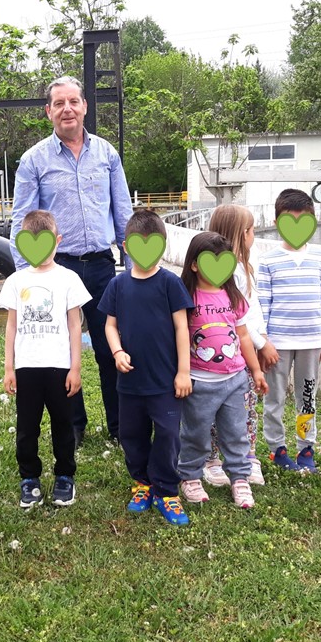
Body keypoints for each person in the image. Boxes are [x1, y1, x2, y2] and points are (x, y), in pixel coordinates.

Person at [10, 75, 133, 446]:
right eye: (59, 103)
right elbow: (21, 220)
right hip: (57, 270)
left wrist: (132, 269)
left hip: (102, 266)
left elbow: (123, 213)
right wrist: (27, 278)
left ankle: (119, 426)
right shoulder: (33, 160)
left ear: (84, 107)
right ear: (49, 111)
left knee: (111, 348)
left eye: (73, 102)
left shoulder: (107, 155)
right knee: (62, 350)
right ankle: (74, 426)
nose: (67, 109)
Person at [98, 210, 193, 526]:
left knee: (168, 435)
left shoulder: (170, 283)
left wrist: (183, 372)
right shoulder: (118, 284)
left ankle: (166, 490)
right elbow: (110, 325)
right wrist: (117, 351)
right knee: (131, 434)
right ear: (126, 247)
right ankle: (142, 482)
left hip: (165, 382)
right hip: (130, 383)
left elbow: (182, 328)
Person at [0, 210, 92, 508]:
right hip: (26, 368)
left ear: (58, 241)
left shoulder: (69, 279)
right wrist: (9, 367)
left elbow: (75, 325)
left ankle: (65, 476)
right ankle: (29, 478)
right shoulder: (16, 281)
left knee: (63, 424)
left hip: (60, 368)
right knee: (27, 427)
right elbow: (11, 326)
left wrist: (75, 367)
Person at [177, 231, 269, 510]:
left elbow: (243, 336)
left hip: (235, 380)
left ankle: (239, 478)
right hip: (199, 382)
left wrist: (256, 371)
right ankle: (190, 476)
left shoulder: (233, 296)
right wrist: (182, 373)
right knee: (195, 433)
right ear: (195, 265)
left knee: (236, 432)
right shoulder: (185, 297)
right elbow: (179, 335)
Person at [257, 188, 321, 473]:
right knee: (274, 397)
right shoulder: (268, 260)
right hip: (277, 344)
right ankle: (277, 448)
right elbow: (262, 304)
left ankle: (306, 447)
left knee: (307, 396)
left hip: (311, 342)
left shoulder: (320, 257)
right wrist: (263, 342)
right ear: (277, 222)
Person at [203, 204, 279, 487]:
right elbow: (237, 318)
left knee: (247, 406)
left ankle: (247, 455)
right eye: (251, 230)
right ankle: (211, 459)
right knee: (212, 409)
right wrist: (261, 343)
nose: (254, 235)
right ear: (241, 234)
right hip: (226, 353)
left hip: (247, 351)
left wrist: (262, 339)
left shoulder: (245, 267)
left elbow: (253, 310)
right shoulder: (225, 274)